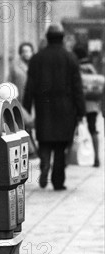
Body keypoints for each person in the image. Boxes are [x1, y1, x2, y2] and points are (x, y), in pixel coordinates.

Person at [23, 24, 85, 190]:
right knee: (60, 146)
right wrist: (81, 110)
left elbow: (29, 86)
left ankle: (44, 165)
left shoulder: (37, 58)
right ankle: (58, 181)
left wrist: (26, 109)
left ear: (48, 37)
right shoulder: (70, 57)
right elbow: (77, 86)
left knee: (44, 140)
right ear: (62, 38)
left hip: (44, 107)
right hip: (66, 108)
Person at [73, 44, 103, 168]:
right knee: (93, 129)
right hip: (92, 103)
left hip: (78, 102)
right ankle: (96, 158)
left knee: (73, 129)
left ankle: (68, 156)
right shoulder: (91, 67)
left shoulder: (76, 67)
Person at [8, 42, 37, 157]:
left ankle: (32, 147)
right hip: (20, 98)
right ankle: (29, 149)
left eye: (28, 51)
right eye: (24, 51)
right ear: (20, 53)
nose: (26, 53)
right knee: (23, 123)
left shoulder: (36, 64)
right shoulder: (15, 65)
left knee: (32, 123)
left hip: (33, 98)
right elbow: (9, 81)